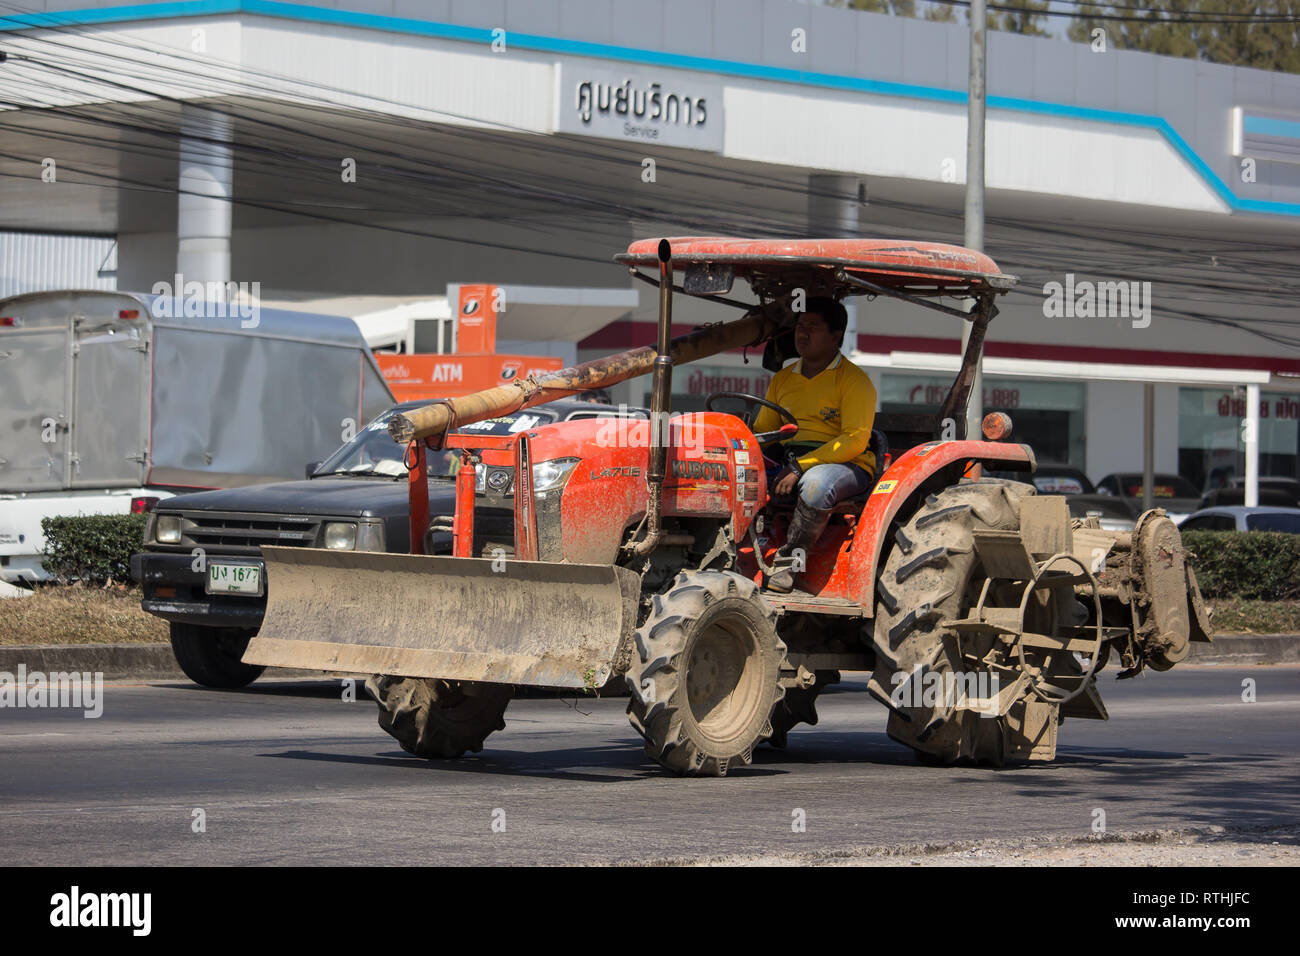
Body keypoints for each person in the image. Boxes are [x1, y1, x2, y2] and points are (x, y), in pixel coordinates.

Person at [751, 297, 878, 593]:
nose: (802, 334)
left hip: (846, 464)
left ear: (836, 336)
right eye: (799, 326)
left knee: (815, 485)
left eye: (813, 327)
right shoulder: (783, 379)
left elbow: (856, 439)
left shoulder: (855, 381)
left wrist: (799, 467)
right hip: (791, 459)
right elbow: (764, 430)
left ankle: (789, 565)